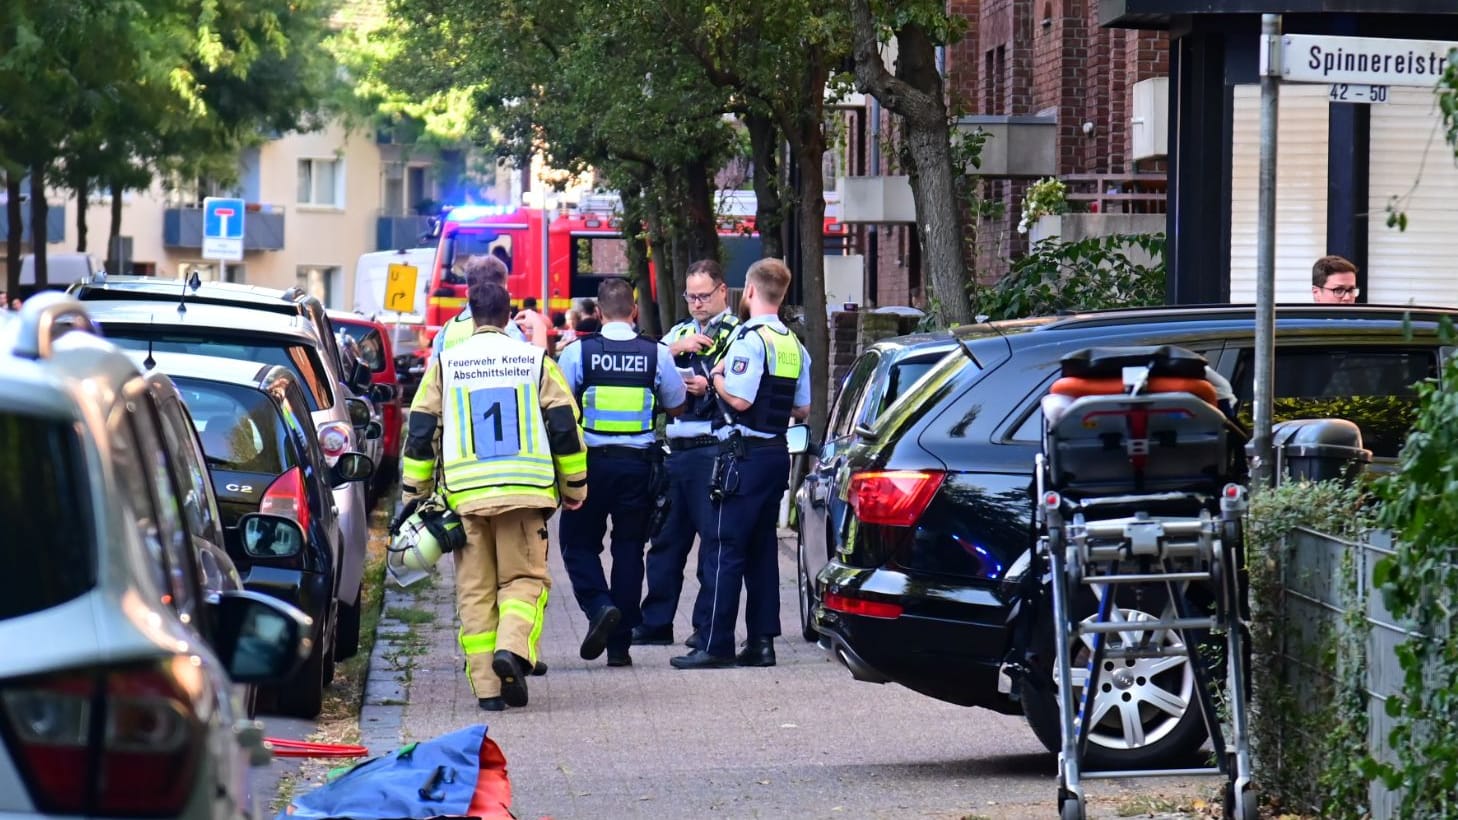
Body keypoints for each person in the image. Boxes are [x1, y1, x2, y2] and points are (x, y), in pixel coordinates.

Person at [400, 280, 588, 711]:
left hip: (465, 498)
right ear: (508, 317)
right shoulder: (534, 360)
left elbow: (422, 431)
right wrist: (575, 486)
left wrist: (417, 494)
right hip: (524, 497)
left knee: (475, 591)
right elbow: (563, 425)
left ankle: (487, 690)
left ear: (470, 312)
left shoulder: (446, 364)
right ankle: (512, 647)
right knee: (524, 581)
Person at [673, 258, 810, 670]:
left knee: (723, 546)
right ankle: (762, 642)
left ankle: (715, 645)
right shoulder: (792, 343)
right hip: (775, 454)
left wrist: (716, 378)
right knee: (762, 549)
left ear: (748, 291)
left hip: (743, 457)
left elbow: (741, 399)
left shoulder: (751, 340)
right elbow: (802, 408)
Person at [556, 278, 686, 667]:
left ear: (597, 312)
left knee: (577, 545)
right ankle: (620, 645)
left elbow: (562, 409)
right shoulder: (656, 352)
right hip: (639, 465)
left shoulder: (578, 352)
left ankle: (599, 607)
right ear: (634, 311)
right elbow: (676, 404)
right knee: (629, 550)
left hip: (590, 465)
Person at [632, 259, 741, 648]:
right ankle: (656, 622)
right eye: (690, 296)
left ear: (721, 292)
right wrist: (676, 347)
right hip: (675, 450)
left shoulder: (736, 333)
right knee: (665, 542)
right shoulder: (679, 331)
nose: (696, 303)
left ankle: (702, 629)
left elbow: (742, 385)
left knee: (712, 544)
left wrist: (707, 385)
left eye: (703, 296)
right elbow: (650, 361)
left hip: (712, 449)